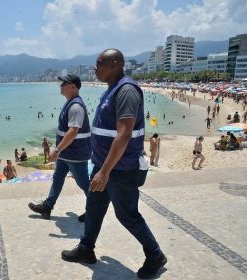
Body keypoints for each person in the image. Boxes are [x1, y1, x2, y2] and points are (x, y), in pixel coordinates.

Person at [61, 49, 166, 279]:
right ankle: (86, 249)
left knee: (127, 215)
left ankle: (155, 254)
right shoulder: (112, 89)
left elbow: (124, 134)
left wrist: (105, 172)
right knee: (94, 208)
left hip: (120, 169)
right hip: (103, 166)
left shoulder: (127, 91)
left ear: (115, 64)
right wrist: (100, 168)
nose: (95, 68)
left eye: (99, 64)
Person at [28, 74, 91, 222]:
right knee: (57, 179)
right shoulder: (69, 103)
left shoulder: (76, 106)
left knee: (84, 183)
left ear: (73, 86)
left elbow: (73, 131)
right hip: (66, 153)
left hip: (75, 154)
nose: (60, 86)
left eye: (63, 83)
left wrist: (57, 150)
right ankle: (47, 206)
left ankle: (94, 210)